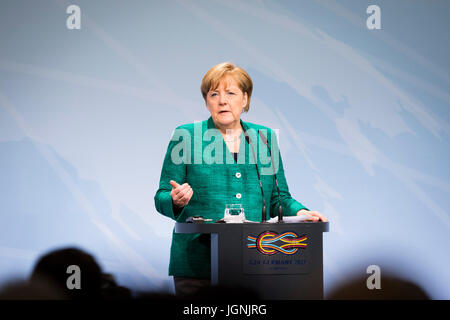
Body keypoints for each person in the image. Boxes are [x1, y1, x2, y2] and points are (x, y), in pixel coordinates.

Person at [154, 61, 328, 296]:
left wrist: (300, 213)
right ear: (206, 101)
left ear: (245, 99)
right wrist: (175, 200)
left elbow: (278, 197)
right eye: (214, 94)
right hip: (197, 265)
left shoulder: (264, 138)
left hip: (256, 261)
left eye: (231, 93)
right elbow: (162, 195)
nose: (222, 101)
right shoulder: (186, 136)